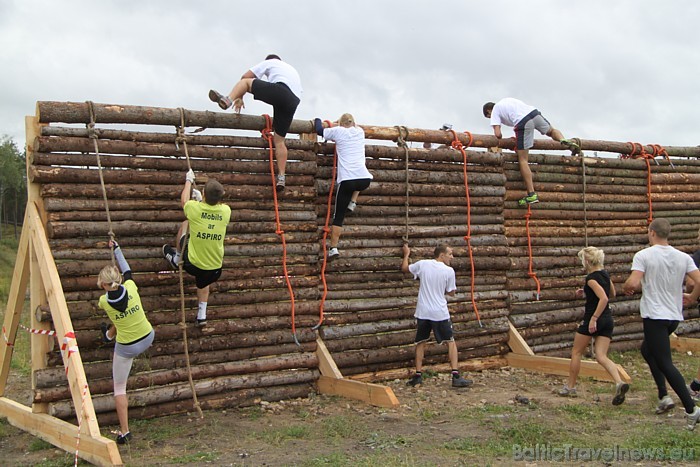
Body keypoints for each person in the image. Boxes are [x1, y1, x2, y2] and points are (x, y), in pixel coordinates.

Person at [622, 218, 700, 430]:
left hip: (655, 316)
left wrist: (626, 286)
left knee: (665, 362)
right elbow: (698, 280)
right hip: (673, 317)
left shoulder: (644, 255)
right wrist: (692, 297)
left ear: (652, 233)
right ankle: (663, 396)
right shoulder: (683, 257)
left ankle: (692, 409)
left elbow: (633, 282)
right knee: (648, 351)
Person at [209, 54, 302, 192]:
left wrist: (240, 98)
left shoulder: (270, 62)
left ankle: (228, 99)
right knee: (279, 141)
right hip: (294, 100)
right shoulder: (289, 69)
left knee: (246, 83)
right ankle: (281, 176)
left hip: (282, 91)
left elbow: (246, 77)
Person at [97, 240, 155, 445]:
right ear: (120, 279)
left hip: (128, 346)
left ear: (103, 285)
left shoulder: (104, 302)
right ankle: (109, 336)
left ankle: (125, 431)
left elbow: (110, 296)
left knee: (119, 388)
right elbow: (128, 271)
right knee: (121, 322)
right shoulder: (130, 287)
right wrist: (117, 249)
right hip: (147, 336)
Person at [558, 247, 629, 405]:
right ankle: (619, 382)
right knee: (601, 356)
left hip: (594, 319)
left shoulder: (591, 278)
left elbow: (603, 298)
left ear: (588, 261)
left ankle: (570, 387)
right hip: (607, 320)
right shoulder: (605, 274)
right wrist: (586, 292)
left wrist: (593, 318)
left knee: (576, 352)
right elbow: (612, 293)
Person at [482, 98, 580, 207]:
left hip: (523, 123)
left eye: (489, 117)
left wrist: (500, 137)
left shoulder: (495, 110)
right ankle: (563, 140)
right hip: (534, 114)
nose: (490, 118)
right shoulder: (507, 101)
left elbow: (498, 134)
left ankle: (531, 194)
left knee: (523, 160)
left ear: (489, 111)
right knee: (551, 131)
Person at [163, 170, 231, 326]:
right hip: (215, 270)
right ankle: (202, 315)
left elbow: (184, 201)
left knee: (186, 224)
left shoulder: (195, 209)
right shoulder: (226, 212)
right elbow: (212, 211)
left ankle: (176, 256)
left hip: (192, 265)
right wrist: (202, 200)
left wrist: (188, 180)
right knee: (204, 280)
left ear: (204, 194)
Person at [401, 243, 473, 388]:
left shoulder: (423, 264)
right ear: (442, 255)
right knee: (450, 341)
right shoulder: (449, 271)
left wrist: (406, 254)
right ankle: (455, 375)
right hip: (439, 312)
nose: (452, 257)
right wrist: (443, 290)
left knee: (421, 342)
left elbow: (404, 268)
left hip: (423, 311)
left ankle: (418, 375)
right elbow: (451, 292)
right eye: (450, 254)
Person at [314, 113, 373, 260]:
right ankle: (353, 202)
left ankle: (333, 248)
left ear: (340, 123)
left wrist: (318, 120)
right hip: (365, 180)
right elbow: (349, 126)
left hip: (347, 180)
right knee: (359, 178)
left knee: (338, 216)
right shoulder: (360, 131)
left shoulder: (338, 131)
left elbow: (319, 129)